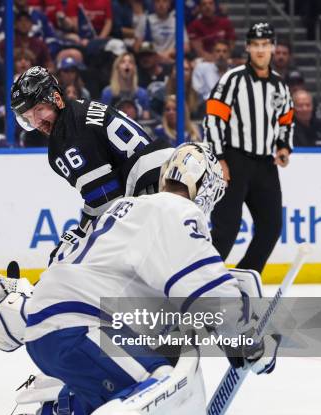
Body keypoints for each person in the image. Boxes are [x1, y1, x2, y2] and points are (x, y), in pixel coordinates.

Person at [0, 142, 280, 415]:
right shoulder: (179, 212)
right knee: (166, 383)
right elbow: (204, 286)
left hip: (47, 329)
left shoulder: (125, 208)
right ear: (203, 188)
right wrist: (248, 339)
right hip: (83, 327)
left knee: (119, 383)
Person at [11, 66, 174, 259]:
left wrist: (80, 235)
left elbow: (105, 200)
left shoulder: (67, 136)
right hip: (168, 180)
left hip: (154, 194)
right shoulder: (79, 110)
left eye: (39, 110)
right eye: (28, 117)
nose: (37, 122)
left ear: (55, 98)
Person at [203, 23, 294, 274]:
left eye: (265, 44)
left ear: (273, 47)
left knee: (272, 227)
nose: (261, 50)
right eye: (256, 45)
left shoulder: (280, 85)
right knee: (226, 230)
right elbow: (212, 118)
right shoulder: (233, 79)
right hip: (234, 160)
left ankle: (243, 278)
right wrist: (219, 159)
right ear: (248, 47)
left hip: (265, 164)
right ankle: (198, 278)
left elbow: (286, 120)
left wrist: (284, 147)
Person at [100, 53, 150, 119]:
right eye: (123, 62)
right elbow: (104, 118)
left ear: (134, 68)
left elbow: (146, 119)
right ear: (117, 68)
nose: (127, 64)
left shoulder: (142, 94)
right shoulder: (108, 93)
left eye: (130, 62)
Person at [145, 0, 189, 65]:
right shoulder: (147, 21)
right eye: (157, 1)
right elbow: (142, 45)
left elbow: (186, 47)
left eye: (165, 1)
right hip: (153, 61)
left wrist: (170, 53)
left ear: (169, 4)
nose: (161, 4)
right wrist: (158, 56)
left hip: (173, 59)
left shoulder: (177, 21)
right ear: (153, 4)